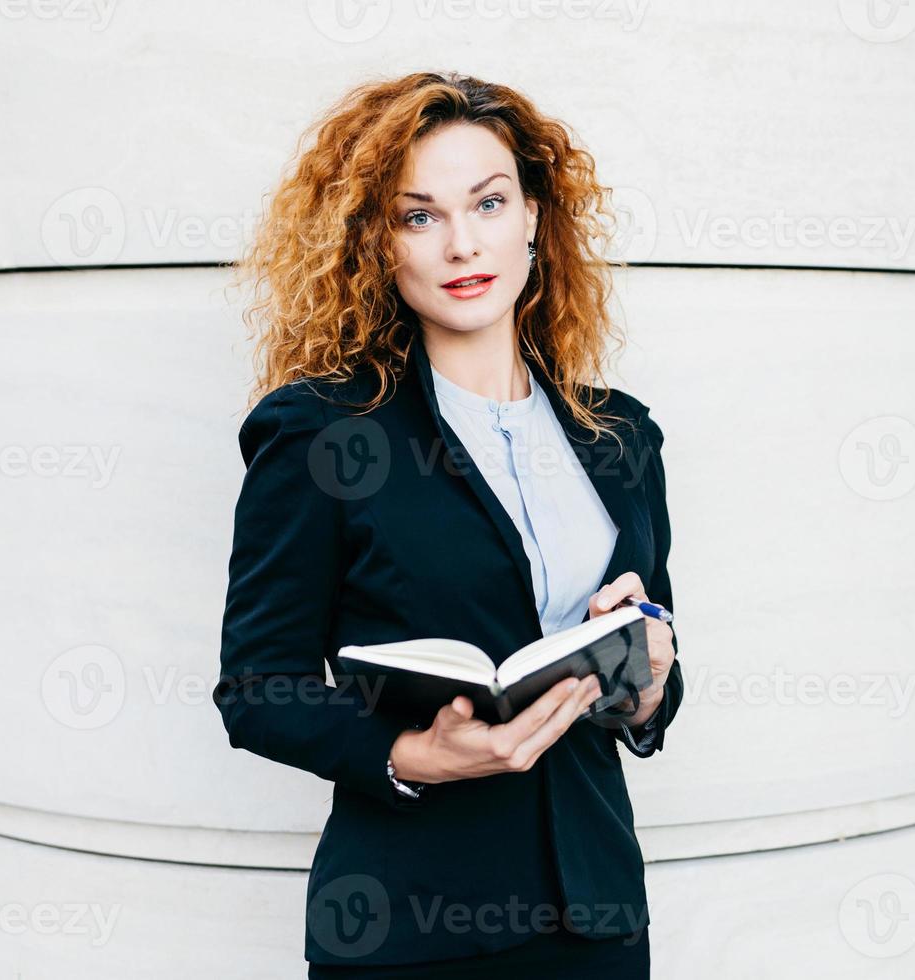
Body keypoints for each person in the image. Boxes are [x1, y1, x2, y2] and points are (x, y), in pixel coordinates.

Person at [212, 70, 683, 978]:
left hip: (598, 920)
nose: (463, 243)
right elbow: (256, 687)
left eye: (489, 202)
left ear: (535, 216)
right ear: (375, 244)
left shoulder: (620, 435)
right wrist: (411, 754)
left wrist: (650, 680)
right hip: (411, 927)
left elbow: (653, 671)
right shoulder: (322, 432)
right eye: (417, 216)